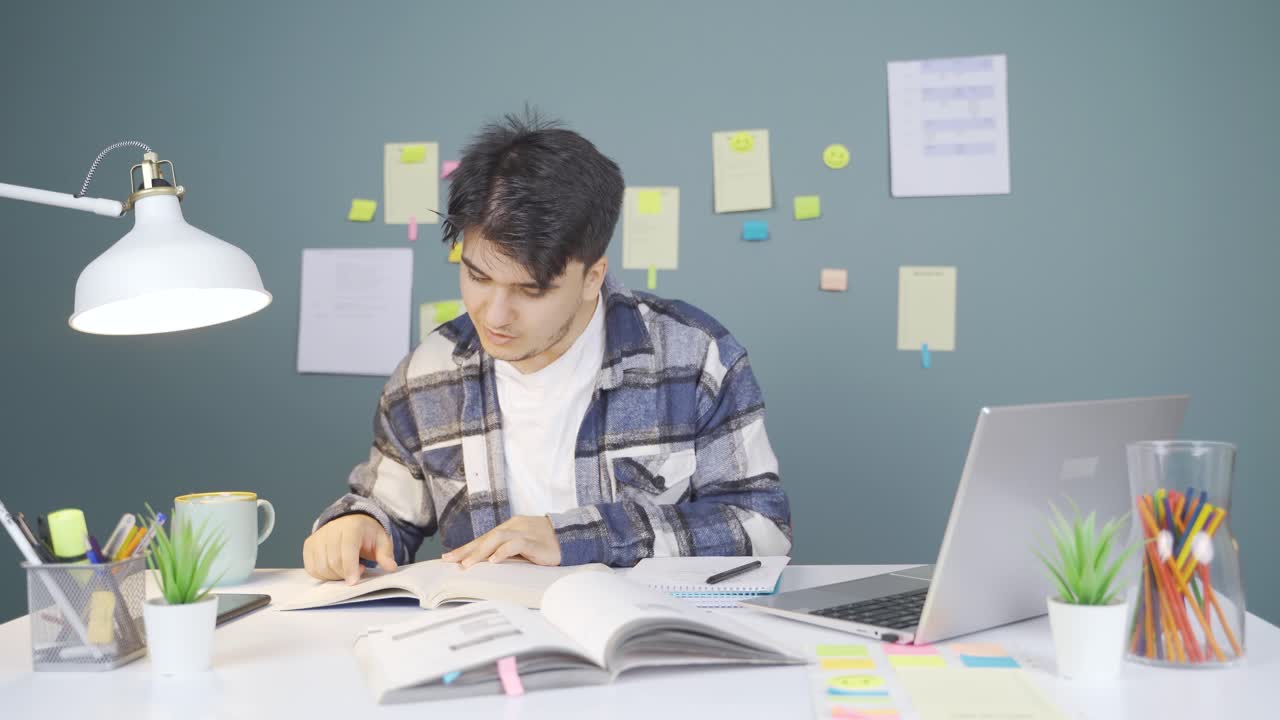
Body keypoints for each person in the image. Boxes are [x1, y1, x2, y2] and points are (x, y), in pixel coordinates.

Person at [302, 112, 791, 584]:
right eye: (476, 276)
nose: (493, 315)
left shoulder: (693, 357)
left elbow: (762, 529)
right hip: (487, 646)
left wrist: (580, 538)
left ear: (591, 277)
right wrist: (357, 527)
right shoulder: (428, 373)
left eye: (531, 291)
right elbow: (388, 510)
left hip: (647, 646)